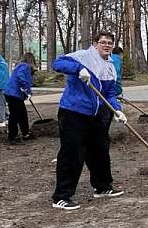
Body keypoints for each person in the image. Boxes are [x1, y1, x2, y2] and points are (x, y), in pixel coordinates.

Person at [50, 31, 127, 211]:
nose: (107, 45)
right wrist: (78, 69)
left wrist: (117, 110)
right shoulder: (82, 56)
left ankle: (102, 187)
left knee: (100, 149)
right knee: (73, 151)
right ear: (95, 44)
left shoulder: (110, 66)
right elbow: (57, 63)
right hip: (73, 111)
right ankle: (61, 196)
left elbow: (109, 93)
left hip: (96, 115)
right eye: (103, 42)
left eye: (110, 43)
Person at [3, 52, 37, 143]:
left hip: (13, 93)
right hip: (13, 94)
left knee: (22, 114)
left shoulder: (20, 66)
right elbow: (21, 77)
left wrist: (28, 92)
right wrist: (25, 88)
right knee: (15, 115)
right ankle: (12, 136)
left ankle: (25, 133)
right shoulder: (24, 66)